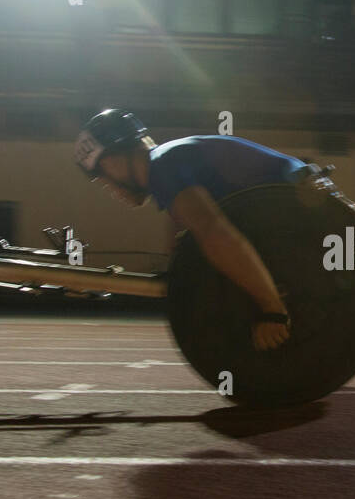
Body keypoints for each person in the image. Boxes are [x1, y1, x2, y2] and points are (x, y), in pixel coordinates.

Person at [73, 109, 303, 351]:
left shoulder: (163, 167)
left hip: (299, 210)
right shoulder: (167, 164)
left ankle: (276, 307)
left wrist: (272, 311)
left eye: (103, 176)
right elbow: (184, 223)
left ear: (115, 160)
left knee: (213, 241)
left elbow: (214, 232)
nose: (109, 188)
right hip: (294, 201)